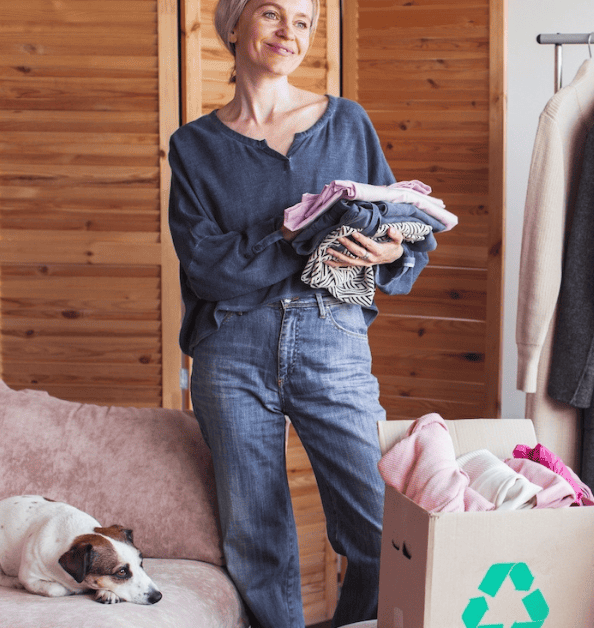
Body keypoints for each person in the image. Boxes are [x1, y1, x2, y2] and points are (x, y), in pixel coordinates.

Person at [167, 0, 419, 625]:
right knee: (256, 542)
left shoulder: (347, 123)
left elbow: (400, 224)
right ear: (234, 25)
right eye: (273, 14)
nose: (290, 32)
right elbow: (205, 267)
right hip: (230, 351)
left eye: (303, 22)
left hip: (331, 335)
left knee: (380, 531)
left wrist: (389, 248)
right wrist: (291, 234)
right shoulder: (194, 146)